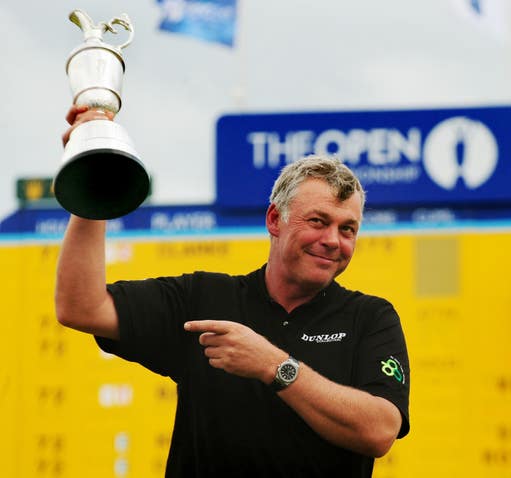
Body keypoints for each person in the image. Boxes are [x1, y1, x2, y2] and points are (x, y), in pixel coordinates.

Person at [56, 105, 410, 477]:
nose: (332, 241)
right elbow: (82, 307)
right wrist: (91, 181)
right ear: (275, 220)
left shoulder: (371, 318)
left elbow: (380, 431)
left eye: (347, 229)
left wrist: (274, 366)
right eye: (318, 222)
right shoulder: (204, 299)